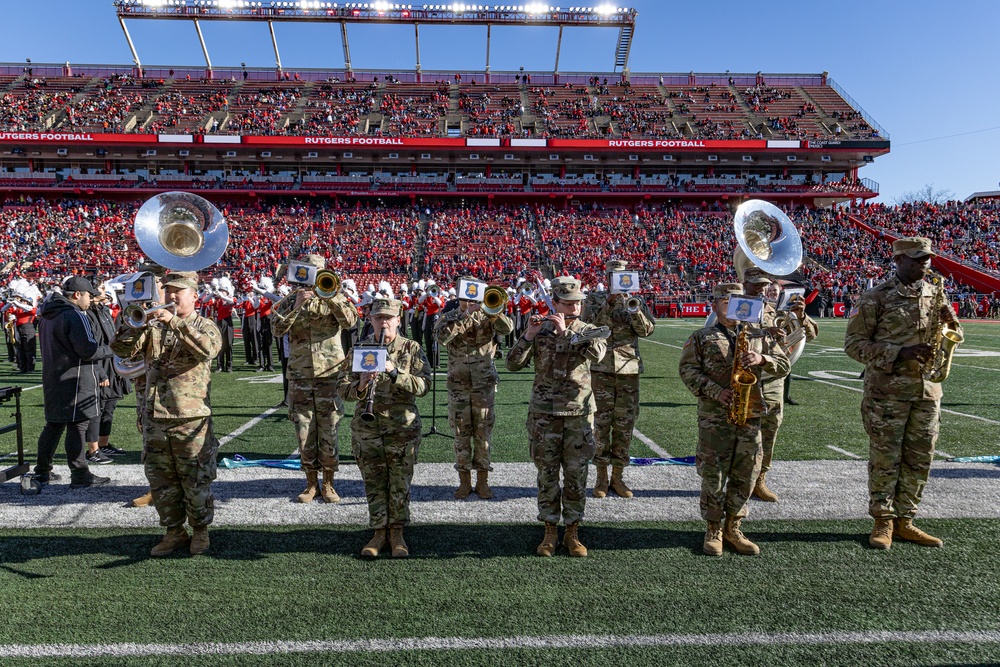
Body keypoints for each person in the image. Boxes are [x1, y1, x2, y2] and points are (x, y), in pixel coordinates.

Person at [844, 237, 960, 550]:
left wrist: (953, 329)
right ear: (897, 260)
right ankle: (883, 520)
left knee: (920, 458)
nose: (924, 263)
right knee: (886, 459)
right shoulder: (876, 296)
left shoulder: (935, 290)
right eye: (917, 258)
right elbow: (854, 345)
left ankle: (905, 520)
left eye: (927, 258)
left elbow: (953, 326)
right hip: (887, 393)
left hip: (927, 390)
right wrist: (900, 352)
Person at [112, 271, 222, 557]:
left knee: (195, 479)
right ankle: (174, 531)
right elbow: (121, 350)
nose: (172, 296)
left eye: (179, 291)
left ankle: (200, 531)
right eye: (169, 291)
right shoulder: (153, 327)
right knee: (161, 481)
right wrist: (135, 323)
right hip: (154, 417)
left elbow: (207, 350)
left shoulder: (205, 325)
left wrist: (173, 322)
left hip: (190, 418)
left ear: (194, 296)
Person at [678, 283, 789, 556]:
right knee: (713, 474)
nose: (731, 308)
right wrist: (717, 392)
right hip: (715, 417)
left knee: (747, 471)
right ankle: (713, 528)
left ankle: (734, 526)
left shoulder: (759, 335)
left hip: (751, 414)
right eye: (725, 303)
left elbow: (784, 365)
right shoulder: (702, 336)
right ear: (714, 306)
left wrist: (761, 358)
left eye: (736, 302)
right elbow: (687, 371)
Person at [506, 276, 608, 558]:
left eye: (578, 303)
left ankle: (572, 530)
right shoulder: (540, 330)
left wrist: (566, 334)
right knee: (547, 474)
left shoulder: (591, 329)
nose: (575, 307)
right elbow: (512, 364)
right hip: (544, 415)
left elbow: (597, 355)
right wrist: (528, 335)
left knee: (576, 476)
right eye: (568, 303)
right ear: (555, 303)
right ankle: (550, 530)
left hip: (578, 414)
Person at [336, 298, 430, 558]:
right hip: (368, 429)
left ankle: (397, 532)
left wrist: (394, 372)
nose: (384, 322)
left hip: (402, 428)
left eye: (389, 317)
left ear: (399, 320)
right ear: (371, 320)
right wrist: (360, 385)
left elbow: (423, 387)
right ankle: (379, 531)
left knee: (400, 483)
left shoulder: (411, 348)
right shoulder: (359, 349)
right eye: (379, 317)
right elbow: (342, 388)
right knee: (374, 482)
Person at [271, 254, 358, 504]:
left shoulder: (335, 294)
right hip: (300, 375)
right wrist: (297, 305)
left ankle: (329, 482)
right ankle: (310, 482)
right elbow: (276, 329)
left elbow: (351, 322)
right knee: (303, 429)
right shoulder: (290, 300)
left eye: (317, 273)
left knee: (329, 428)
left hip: (330, 374)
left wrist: (330, 299)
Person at [580, 260, 655, 498]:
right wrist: (608, 303)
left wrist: (634, 310)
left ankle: (618, 477)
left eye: (622, 276)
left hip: (628, 371)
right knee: (601, 424)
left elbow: (646, 331)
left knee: (624, 425)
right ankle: (601, 477)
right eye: (614, 276)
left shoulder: (637, 301)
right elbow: (588, 328)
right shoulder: (594, 299)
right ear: (608, 276)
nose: (618, 280)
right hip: (601, 369)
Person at [434, 278, 514, 499]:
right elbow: (441, 338)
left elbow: (508, 329)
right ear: (460, 297)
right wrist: (463, 316)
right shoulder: (449, 316)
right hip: (458, 385)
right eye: (466, 297)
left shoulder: (489, 314)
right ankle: (464, 481)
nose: (470, 301)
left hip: (483, 385)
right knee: (460, 435)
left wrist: (492, 312)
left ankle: (482, 481)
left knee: (483, 434)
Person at [33, 277, 113, 488]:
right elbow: (89, 351)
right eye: (88, 295)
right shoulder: (75, 315)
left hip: (53, 378)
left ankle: (42, 472)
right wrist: (113, 349)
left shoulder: (48, 314)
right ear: (77, 295)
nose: (90, 299)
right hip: (75, 379)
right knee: (78, 426)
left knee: (53, 426)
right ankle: (79, 475)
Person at [749, 275, 818, 503]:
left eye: (772, 290)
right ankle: (739, 480)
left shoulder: (781, 315)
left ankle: (760, 480)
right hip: (746, 378)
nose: (767, 292)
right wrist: (764, 333)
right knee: (740, 432)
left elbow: (812, 334)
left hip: (772, 382)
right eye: (764, 288)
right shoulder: (740, 309)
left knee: (770, 431)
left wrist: (801, 316)